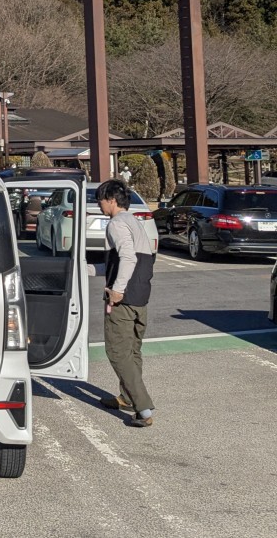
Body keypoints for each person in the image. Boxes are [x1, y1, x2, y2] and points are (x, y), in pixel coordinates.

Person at [95, 179, 156, 427]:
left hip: (124, 299)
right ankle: (127, 398)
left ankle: (143, 410)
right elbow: (122, 262)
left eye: (100, 200)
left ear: (111, 200)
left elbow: (128, 258)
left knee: (117, 352)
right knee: (132, 351)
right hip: (140, 296)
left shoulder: (116, 224)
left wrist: (117, 290)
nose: (99, 205)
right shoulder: (134, 222)